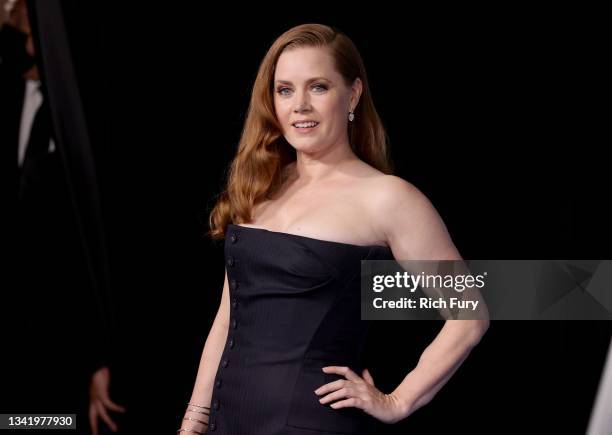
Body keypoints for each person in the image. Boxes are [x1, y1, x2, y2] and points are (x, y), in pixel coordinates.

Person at [179, 23, 489, 434]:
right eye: (285, 90)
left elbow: (470, 313)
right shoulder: (259, 186)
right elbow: (227, 316)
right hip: (228, 422)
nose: (299, 105)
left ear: (353, 94)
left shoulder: (387, 198)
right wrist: (194, 421)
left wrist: (397, 400)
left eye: (318, 87)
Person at [0, 1, 124, 433]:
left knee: (48, 422)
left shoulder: (79, 117)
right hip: (18, 323)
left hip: (63, 327)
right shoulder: (15, 95)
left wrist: (98, 354)